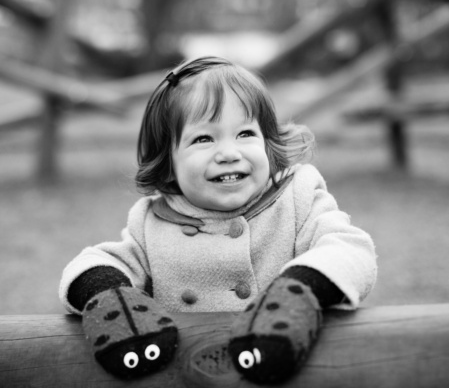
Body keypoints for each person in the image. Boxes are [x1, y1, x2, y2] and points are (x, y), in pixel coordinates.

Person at [59, 56, 377, 383]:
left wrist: (300, 288)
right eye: (203, 139)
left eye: (245, 133)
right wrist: (110, 295)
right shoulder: (152, 221)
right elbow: (93, 262)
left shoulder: (298, 196)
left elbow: (351, 248)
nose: (228, 153)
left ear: (267, 144)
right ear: (168, 163)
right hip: (189, 377)